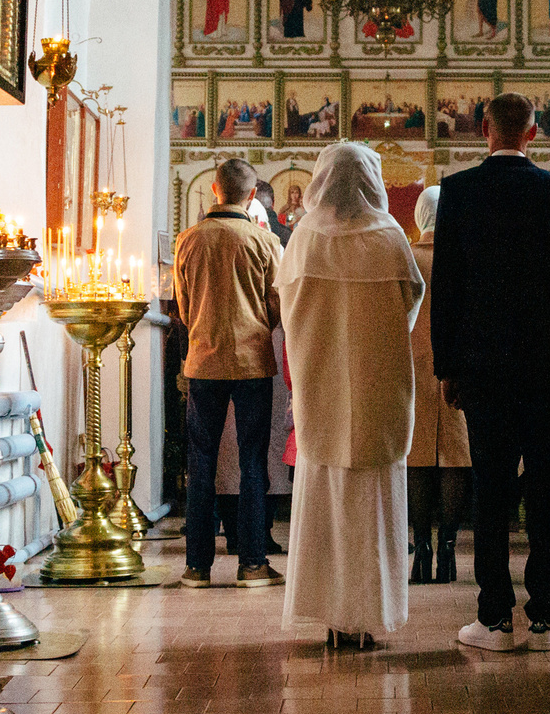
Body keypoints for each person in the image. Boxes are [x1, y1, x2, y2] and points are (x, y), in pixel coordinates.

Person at [431, 92, 550, 652]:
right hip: (546, 366)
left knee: (491, 489)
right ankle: (545, 617)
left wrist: (446, 365)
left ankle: (494, 618)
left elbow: (446, 285)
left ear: (484, 131)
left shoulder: (460, 191)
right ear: (533, 133)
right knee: (547, 488)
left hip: (481, 366)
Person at [277, 143, 426, 649]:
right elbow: (411, 302)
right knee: (376, 506)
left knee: (325, 503)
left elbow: (287, 308)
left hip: (321, 393)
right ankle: (369, 615)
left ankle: (331, 617)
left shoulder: (303, 238)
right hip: (379, 390)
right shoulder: (389, 238)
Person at [170, 159, 285, 586]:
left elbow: (182, 307)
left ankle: (196, 567)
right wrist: (254, 329)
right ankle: (252, 563)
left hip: (203, 360)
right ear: (251, 195)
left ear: (214, 190)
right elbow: (278, 307)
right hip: (253, 362)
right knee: (253, 461)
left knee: (201, 462)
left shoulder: (188, 240)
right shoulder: (264, 241)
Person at [406, 185, 472, 582]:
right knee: (455, 458)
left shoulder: (407, 257)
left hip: (413, 371)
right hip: (458, 370)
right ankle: (448, 549)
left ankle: (421, 549)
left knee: (416, 461)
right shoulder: (466, 257)